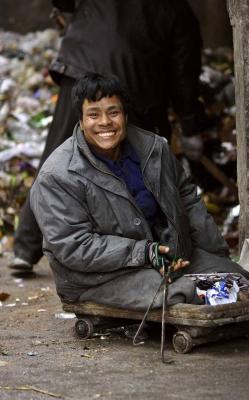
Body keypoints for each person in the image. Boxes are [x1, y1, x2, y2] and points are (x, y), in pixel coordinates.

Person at [9, 0, 203, 272]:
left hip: (77, 69)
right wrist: (190, 123)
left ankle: (25, 250)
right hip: (128, 85)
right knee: (140, 163)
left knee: (55, 155)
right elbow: (184, 73)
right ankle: (147, 248)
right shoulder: (177, 10)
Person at [29, 73, 248, 309]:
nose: (105, 122)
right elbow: (74, 246)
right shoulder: (57, 175)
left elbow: (187, 199)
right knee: (188, 293)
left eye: (113, 112)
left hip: (166, 257)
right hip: (98, 278)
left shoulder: (154, 148)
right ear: (81, 122)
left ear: (124, 115)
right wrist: (142, 252)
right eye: (93, 114)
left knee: (236, 281)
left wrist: (217, 254)